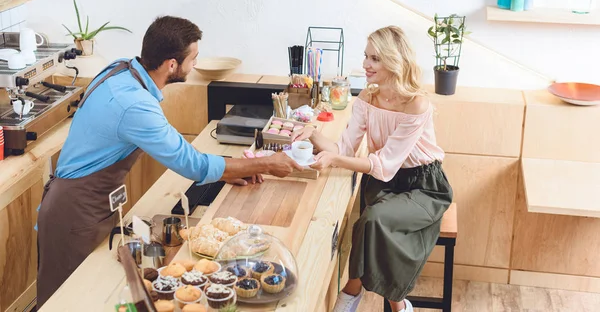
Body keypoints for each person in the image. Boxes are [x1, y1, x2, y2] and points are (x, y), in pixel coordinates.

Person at [36, 16, 302, 307]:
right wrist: (267, 164)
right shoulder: (135, 105)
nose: (195, 65)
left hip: (86, 203)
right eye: (193, 58)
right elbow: (193, 165)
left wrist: (227, 171)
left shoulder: (122, 68)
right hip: (74, 212)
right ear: (171, 64)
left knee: (94, 295)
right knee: (69, 301)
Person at [292, 26, 453, 312]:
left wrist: (336, 161)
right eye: (366, 56)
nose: (366, 64)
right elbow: (344, 149)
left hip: (423, 186)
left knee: (372, 220)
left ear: (394, 61)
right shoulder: (368, 97)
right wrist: (313, 134)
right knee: (371, 223)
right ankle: (398, 305)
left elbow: (382, 164)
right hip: (383, 184)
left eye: (375, 59)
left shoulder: (417, 104)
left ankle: (351, 292)